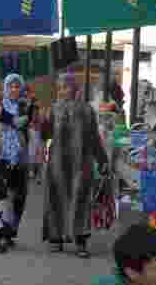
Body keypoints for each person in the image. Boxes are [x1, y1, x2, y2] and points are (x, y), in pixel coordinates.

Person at [43, 72, 108, 258]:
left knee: (81, 198)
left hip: (81, 162)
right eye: (60, 87)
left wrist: (102, 160)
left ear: (75, 87)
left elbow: (94, 137)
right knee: (57, 197)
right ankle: (56, 238)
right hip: (57, 161)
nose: (63, 91)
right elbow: (45, 135)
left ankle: (81, 240)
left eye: (67, 86)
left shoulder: (87, 110)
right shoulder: (53, 109)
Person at [0, 73, 32, 254]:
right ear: (6, 88)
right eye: (11, 86)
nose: (14, 89)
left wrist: (6, 117)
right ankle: (2, 235)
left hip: (20, 159)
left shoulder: (25, 106)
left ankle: (10, 231)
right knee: (0, 196)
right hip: (1, 157)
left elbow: (22, 122)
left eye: (17, 86)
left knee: (17, 197)